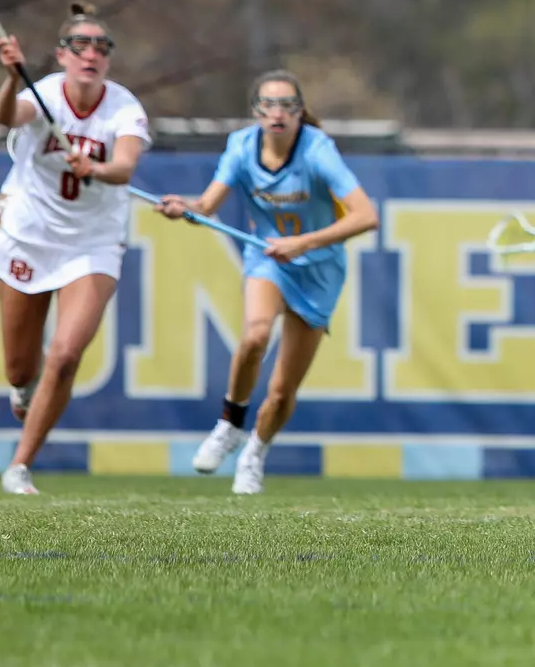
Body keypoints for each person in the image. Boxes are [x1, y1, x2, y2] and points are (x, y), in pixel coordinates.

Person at [159, 71, 378, 495]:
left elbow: (366, 216)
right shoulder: (241, 147)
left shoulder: (317, 150)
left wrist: (303, 243)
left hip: (318, 269)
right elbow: (207, 204)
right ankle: (230, 423)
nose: (278, 113)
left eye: (287, 106)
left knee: (281, 392)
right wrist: (182, 207)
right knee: (255, 336)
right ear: (256, 111)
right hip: (268, 258)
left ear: (300, 112)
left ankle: (254, 453)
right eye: (268, 105)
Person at [0, 3, 151, 495]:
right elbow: (6, 116)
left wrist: (96, 170)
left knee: (64, 354)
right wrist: (11, 78)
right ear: (62, 55)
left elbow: (123, 167)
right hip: (29, 235)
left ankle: (20, 465)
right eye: (80, 46)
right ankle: (24, 389)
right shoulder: (42, 97)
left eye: (102, 48)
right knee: (21, 369)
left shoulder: (124, 107)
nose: (92, 55)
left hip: (93, 243)